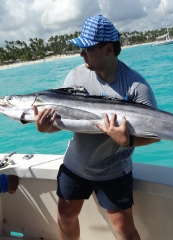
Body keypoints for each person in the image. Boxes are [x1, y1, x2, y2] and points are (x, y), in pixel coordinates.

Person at [33, 14, 160, 240]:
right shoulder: (75, 76)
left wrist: (128, 141)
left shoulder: (136, 86)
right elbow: (62, 123)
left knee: (122, 227)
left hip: (114, 169)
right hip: (76, 165)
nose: (81, 54)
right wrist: (46, 128)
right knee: (65, 216)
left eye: (87, 49)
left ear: (108, 49)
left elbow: (156, 134)